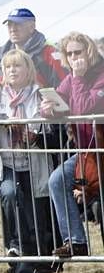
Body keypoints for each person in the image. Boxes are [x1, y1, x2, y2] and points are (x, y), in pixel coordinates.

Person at [0, 49, 58, 273]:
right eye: (7, 67)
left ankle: (35, 263)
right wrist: (4, 120)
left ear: (28, 69)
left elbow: (57, 130)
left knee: (35, 215)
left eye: (17, 66)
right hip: (6, 164)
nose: (12, 70)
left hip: (35, 163)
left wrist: (35, 137)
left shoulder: (41, 95)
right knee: (9, 194)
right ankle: (15, 249)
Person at [43, 32, 104, 258]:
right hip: (87, 153)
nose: (73, 57)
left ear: (89, 51)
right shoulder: (70, 79)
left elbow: (84, 107)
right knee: (57, 180)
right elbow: (59, 102)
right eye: (69, 54)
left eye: (77, 52)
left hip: (101, 150)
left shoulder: (100, 74)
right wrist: (48, 109)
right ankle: (76, 241)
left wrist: (77, 78)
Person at [0, 8, 66, 88]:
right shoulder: (1, 55)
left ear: (32, 27)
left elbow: (63, 88)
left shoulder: (49, 52)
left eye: (18, 24)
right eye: (9, 25)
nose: (13, 29)